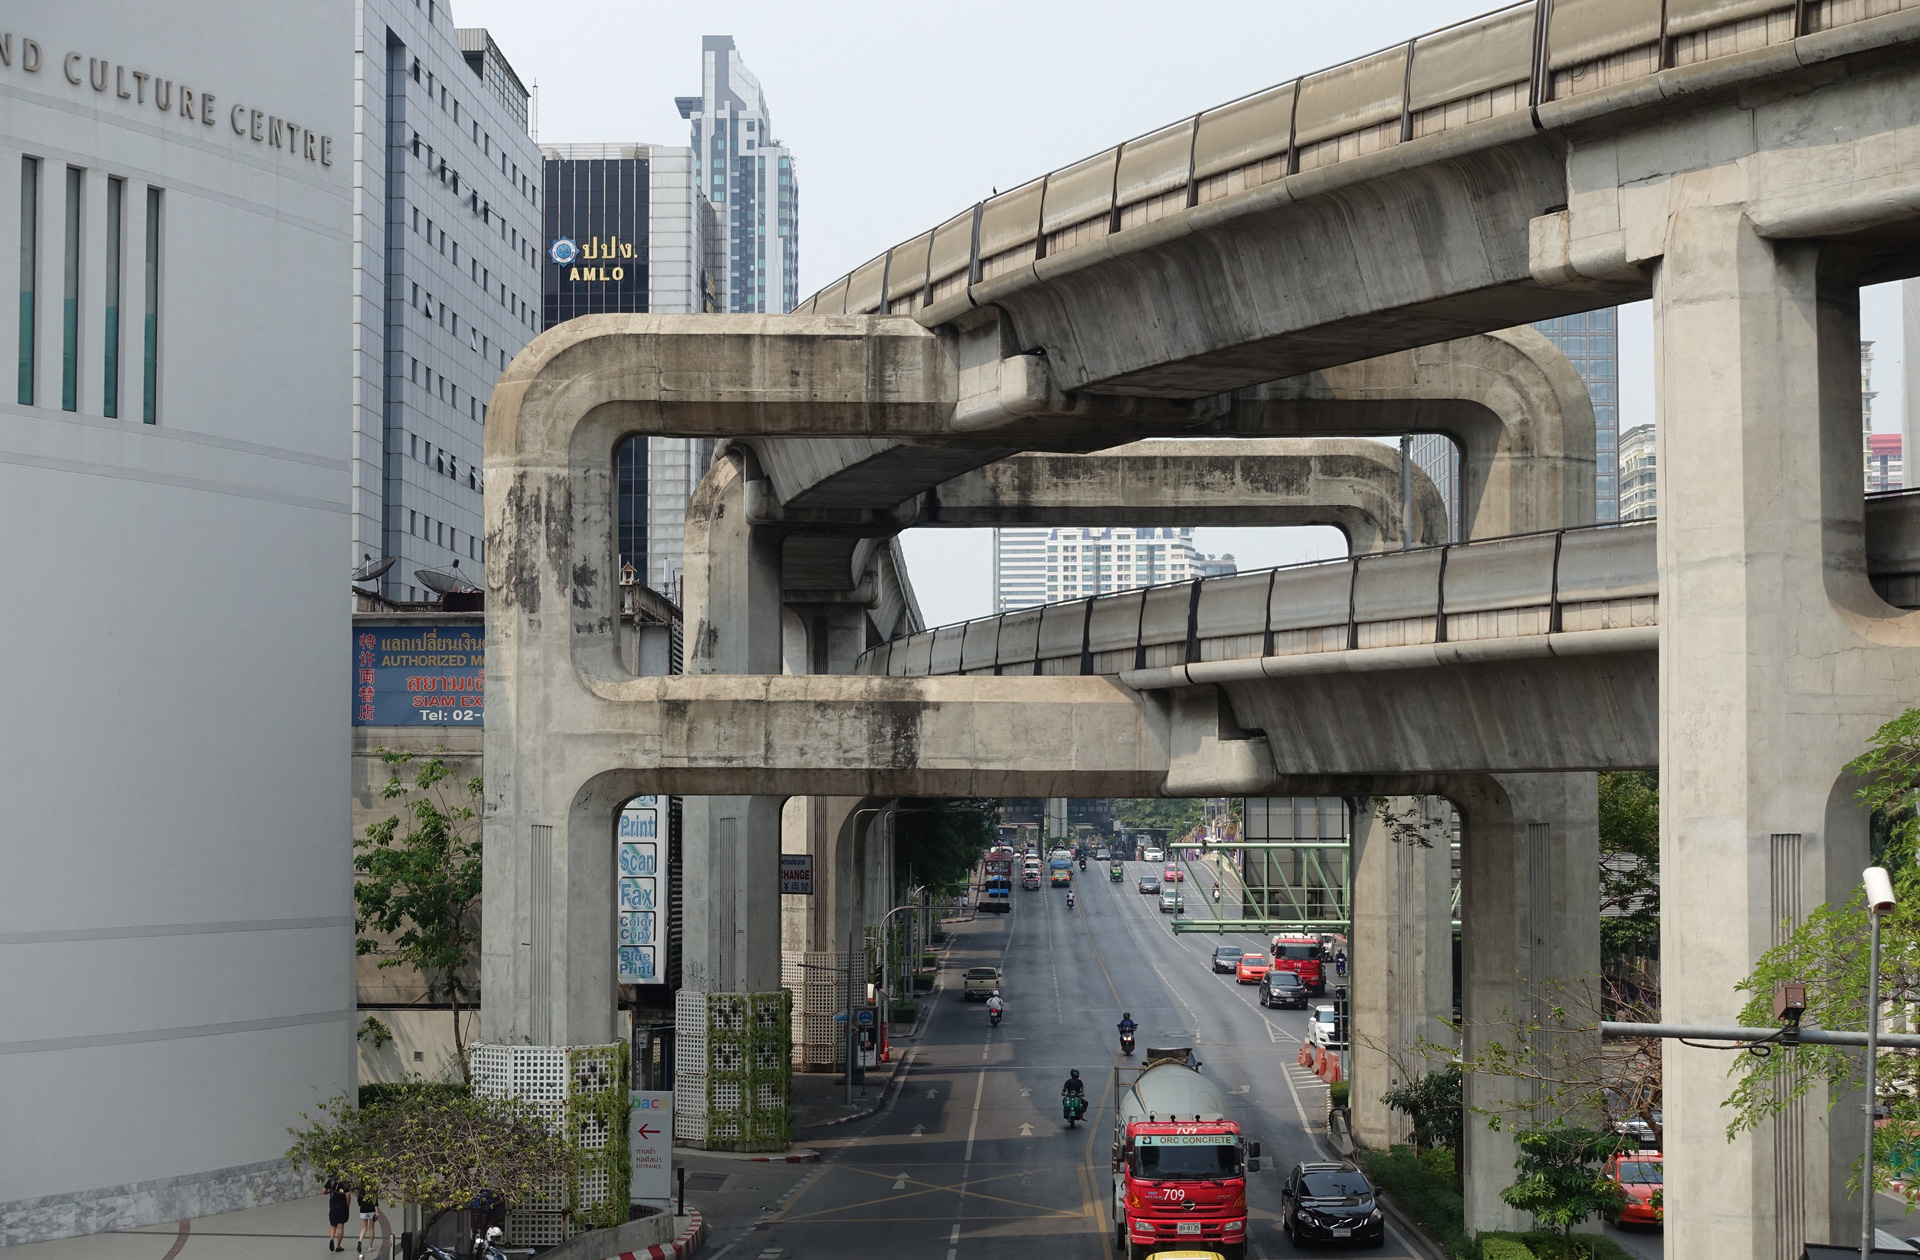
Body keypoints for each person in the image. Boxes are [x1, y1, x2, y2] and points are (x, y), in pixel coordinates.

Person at [324, 1176, 350, 1252]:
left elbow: (323, 1191)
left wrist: (330, 1191)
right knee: (340, 1227)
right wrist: (347, 1206)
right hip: (342, 1207)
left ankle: (332, 1239)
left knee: (333, 1225)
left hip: (332, 1207)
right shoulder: (344, 1182)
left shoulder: (330, 1181)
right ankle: (338, 1246)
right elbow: (348, 1196)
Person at [356, 1185, 379, 1255]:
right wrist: (377, 1212)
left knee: (363, 1228)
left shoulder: (360, 1188)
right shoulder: (373, 1188)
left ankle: (360, 1240)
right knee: (371, 1228)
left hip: (363, 1209)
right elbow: (375, 1201)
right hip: (371, 1210)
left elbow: (359, 1201)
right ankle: (370, 1246)